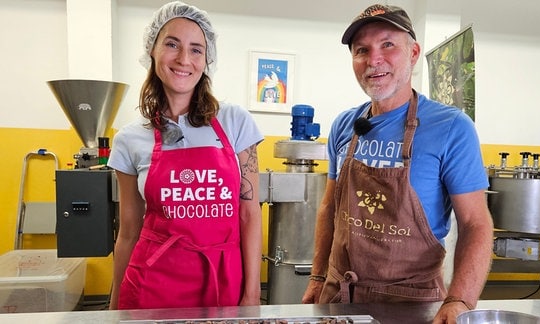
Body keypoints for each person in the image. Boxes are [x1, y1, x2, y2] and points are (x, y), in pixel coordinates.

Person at [301, 4, 494, 323]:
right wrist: (318, 277)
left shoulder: (451, 128)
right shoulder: (344, 125)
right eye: (362, 49)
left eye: (387, 44)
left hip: (412, 304)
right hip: (340, 298)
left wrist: (459, 299)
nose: (373, 59)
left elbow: (476, 223)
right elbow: (329, 209)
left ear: (414, 52)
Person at [107, 1, 263, 310]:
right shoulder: (129, 139)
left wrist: (253, 293)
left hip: (222, 279)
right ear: (152, 51)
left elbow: (249, 214)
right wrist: (115, 305)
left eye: (196, 49)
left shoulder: (235, 122)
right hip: (153, 283)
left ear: (207, 60)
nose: (183, 59)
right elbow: (128, 231)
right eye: (172, 44)